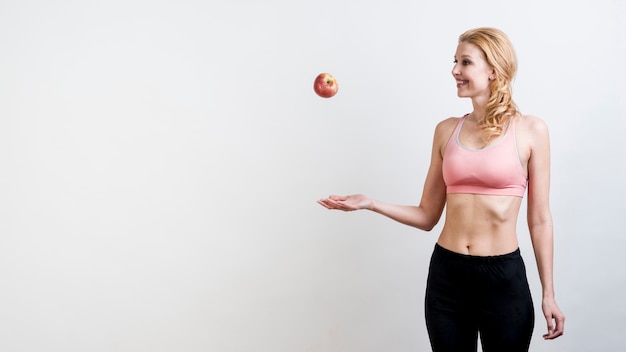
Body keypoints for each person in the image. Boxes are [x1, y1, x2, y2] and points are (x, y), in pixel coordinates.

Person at [317, 27, 565, 352]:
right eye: (455, 62)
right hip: (448, 277)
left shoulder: (531, 130)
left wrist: (548, 292)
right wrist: (369, 203)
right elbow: (427, 215)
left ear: (493, 69)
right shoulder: (447, 130)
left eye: (465, 62)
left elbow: (540, 220)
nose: (455, 71)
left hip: (503, 278)